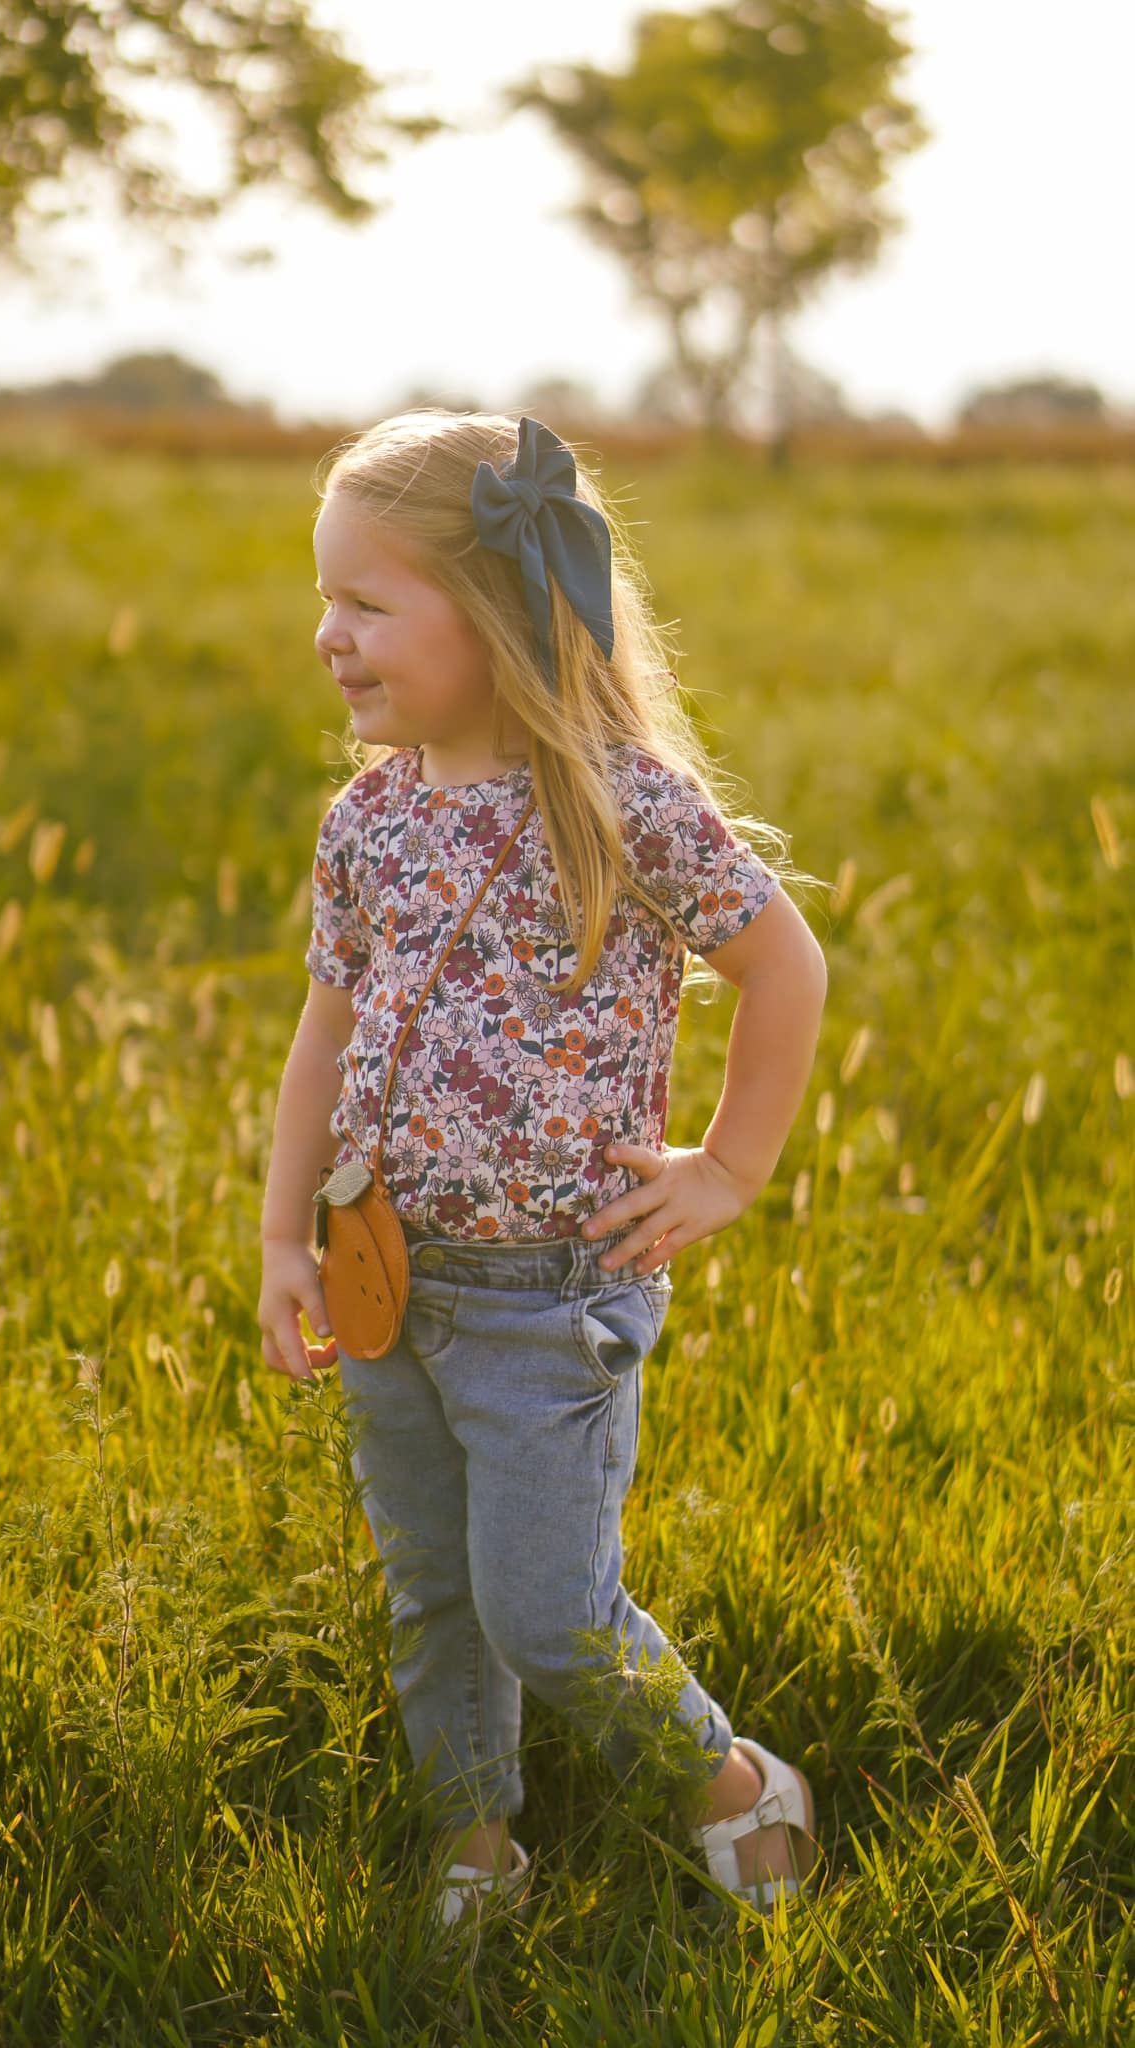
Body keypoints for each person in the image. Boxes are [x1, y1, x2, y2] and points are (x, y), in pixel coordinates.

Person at [258, 411, 828, 1927]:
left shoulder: (614, 800)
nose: (328, 636)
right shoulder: (369, 821)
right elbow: (322, 1042)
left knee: (550, 1613)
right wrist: (280, 1240)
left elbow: (785, 969)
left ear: (497, 610)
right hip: (387, 1274)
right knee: (435, 1601)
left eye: (367, 604)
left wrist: (728, 1165)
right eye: (324, 601)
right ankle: (474, 1842)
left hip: (548, 1299)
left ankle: (732, 1783)